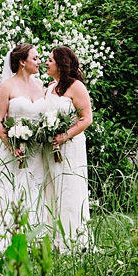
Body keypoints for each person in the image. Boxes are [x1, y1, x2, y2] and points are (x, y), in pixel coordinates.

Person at [0, 44, 48, 254]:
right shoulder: (7, 86)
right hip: (15, 149)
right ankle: (10, 233)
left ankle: (35, 235)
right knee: (14, 189)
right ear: (22, 62)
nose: (39, 62)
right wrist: (12, 145)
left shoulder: (40, 84)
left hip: (37, 148)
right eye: (35, 58)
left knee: (35, 188)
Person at [42, 46, 92, 252]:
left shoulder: (76, 86)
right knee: (51, 191)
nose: (46, 63)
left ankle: (73, 240)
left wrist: (65, 135)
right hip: (50, 147)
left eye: (50, 60)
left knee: (69, 190)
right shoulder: (49, 86)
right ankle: (54, 239)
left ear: (61, 64)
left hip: (70, 146)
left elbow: (86, 119)